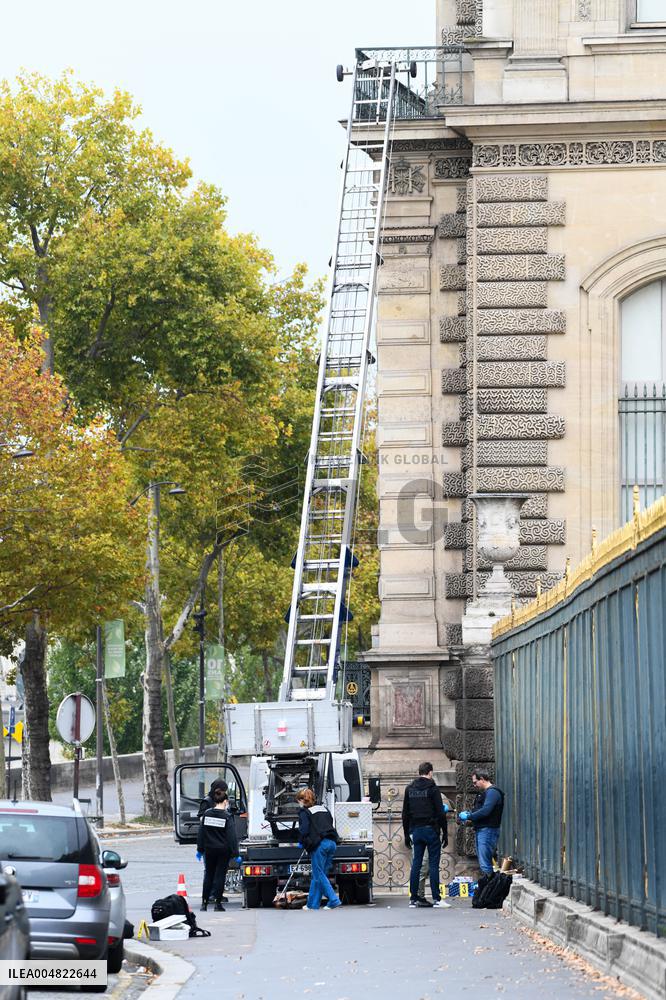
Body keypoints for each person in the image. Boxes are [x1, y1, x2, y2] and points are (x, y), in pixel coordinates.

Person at [402, 762, 451, 908]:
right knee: (434, 865)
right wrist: (445, 833)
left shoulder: (409, 789)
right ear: (430, 772)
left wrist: (406, 834)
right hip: (431, 829)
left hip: (416, 830)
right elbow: (440, 813)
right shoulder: (432, 788)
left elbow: (405, 813)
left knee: (416, 864)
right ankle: (437, 898)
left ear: (419, 772)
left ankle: (413, 898)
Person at [296, 788, 342, 911]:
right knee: (319, 875)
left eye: (298, 800)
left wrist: (301, 841)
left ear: (302, 800)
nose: (298, 803)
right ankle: (312, 904)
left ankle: (333, 900)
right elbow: (330, 822)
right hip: (332, 843)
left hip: (319, 845)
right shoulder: (323, 809)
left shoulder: (304, 812)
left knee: (319, 874)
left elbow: (304, 829)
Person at [197, 788, 239, 911]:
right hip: (223, 851)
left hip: (209, 850)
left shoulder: (207, 814)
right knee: (220, 876)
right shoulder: (226, 816)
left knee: (209, 875)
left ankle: (204, 904)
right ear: (225, 801)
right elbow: (232, 837)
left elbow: (201, 833)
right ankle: (217, 904)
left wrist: (200, 849)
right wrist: (235, 853)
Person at [458, 769, 504, 876]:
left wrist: (469, 816)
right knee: (484, 863)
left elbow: (485, 811)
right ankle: (488, 887)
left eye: (475, 782)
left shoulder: (493, 792)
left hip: (488, 830)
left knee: (485, 864)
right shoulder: (487, 793)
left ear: (482, 779)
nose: (474, 785)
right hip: (483, 830)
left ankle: (489, 889)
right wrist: (470, 814)